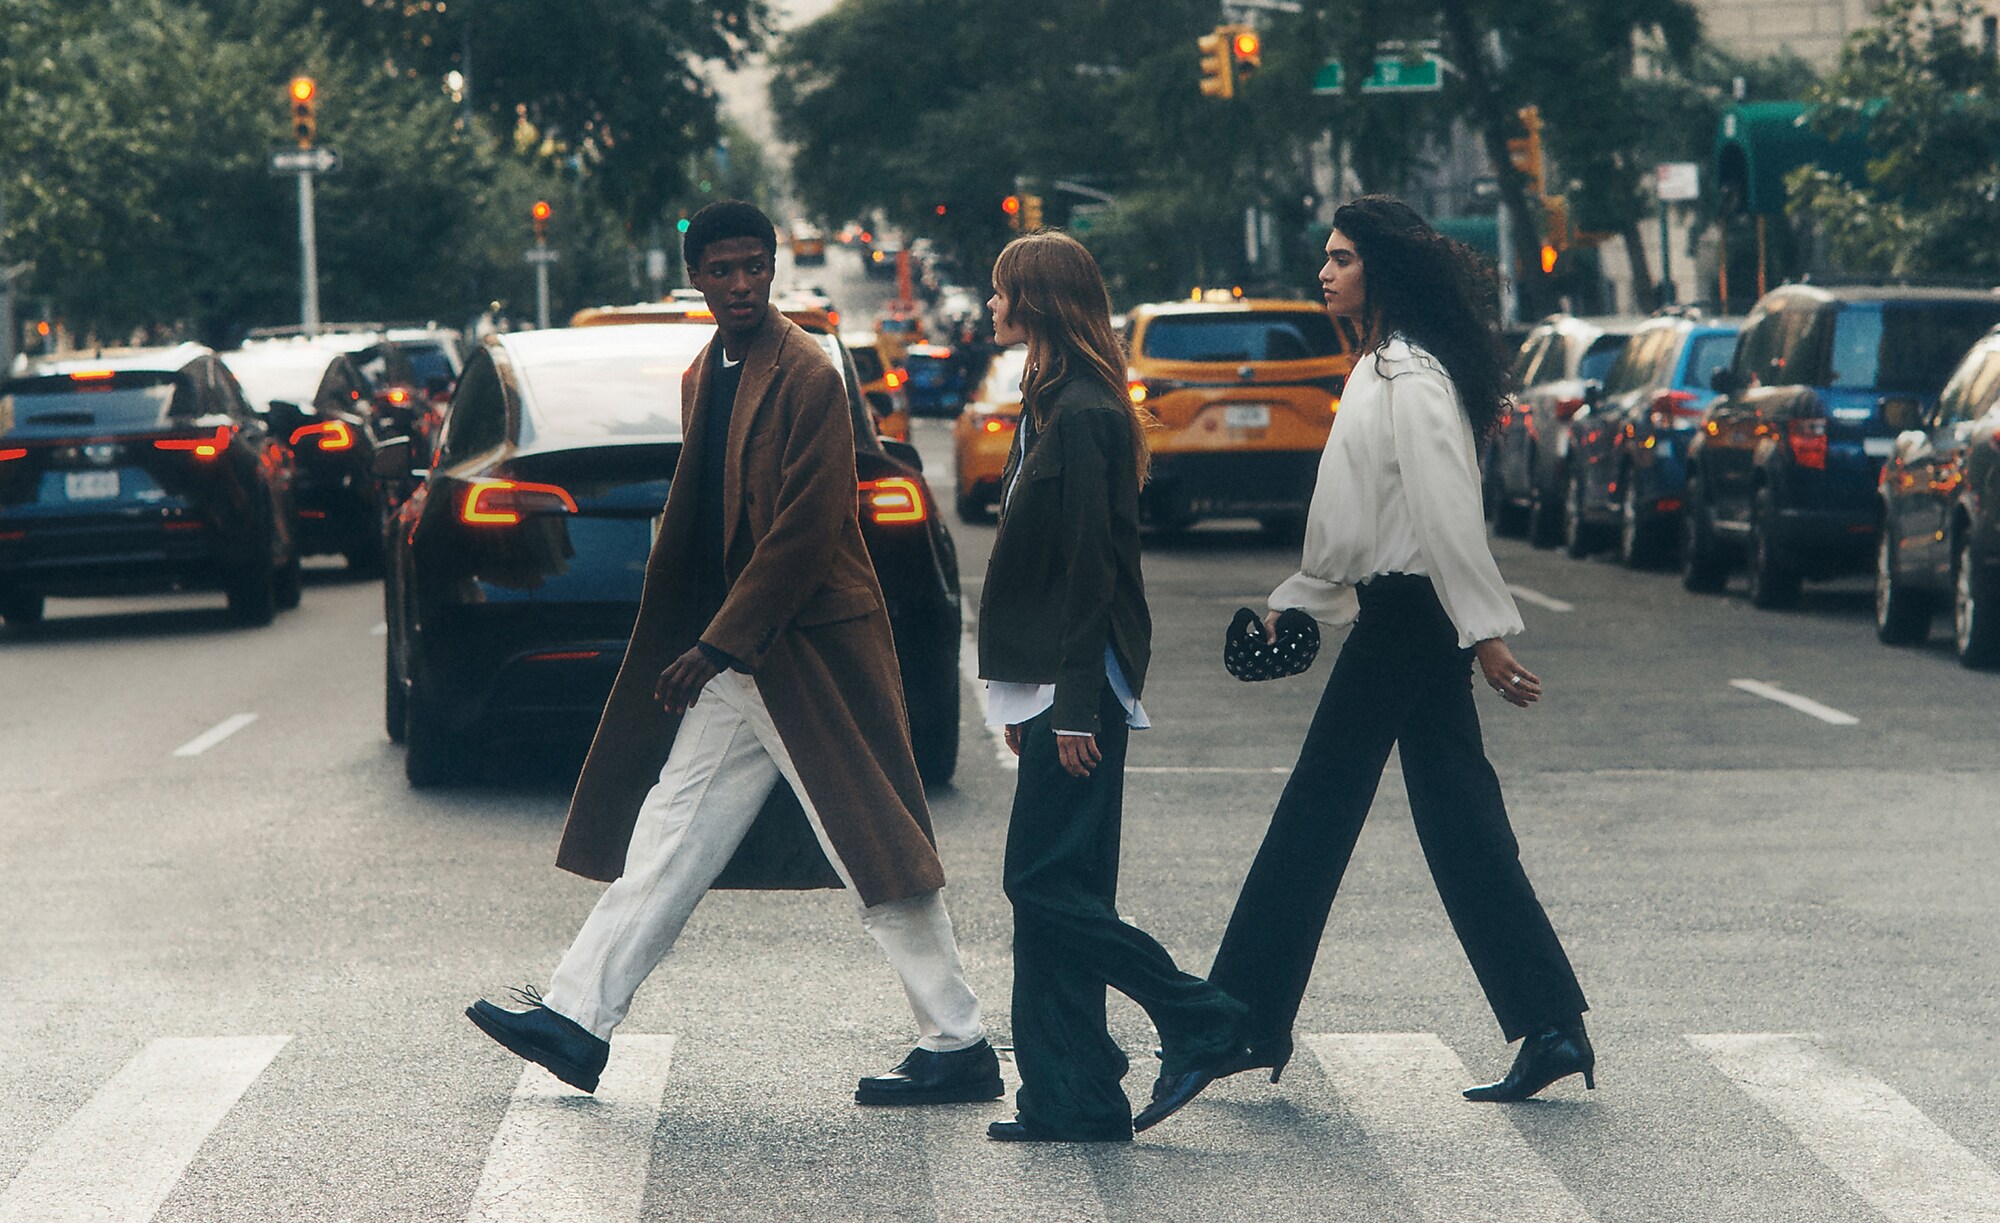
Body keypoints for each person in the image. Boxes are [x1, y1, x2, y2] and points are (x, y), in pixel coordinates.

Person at [467, 200, 1001, 1108]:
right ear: (697, 277)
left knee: (871, 841)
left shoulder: (809, 372)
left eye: (756, 266)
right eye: (723, 269)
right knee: (671, 833)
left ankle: (960, 1041)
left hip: (806, 649)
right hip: (746, 654)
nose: (742, 283)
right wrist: (712, 637)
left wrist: (716, 642)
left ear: (774, 267)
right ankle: (576, 1017)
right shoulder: (704, 371)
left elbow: (806, 527)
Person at [1202, 195, 1593, 1109]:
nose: (1325, 272)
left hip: (1412, 618)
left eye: (1342, 258)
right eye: (1327, 257)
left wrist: (1484, 631)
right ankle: (1550, 1023)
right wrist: (1301, 597)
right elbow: (1362, 517)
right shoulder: (1378, 368)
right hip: (1401, 608)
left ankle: (1240, 1019)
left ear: (1382, 269)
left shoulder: (1410, 375)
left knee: (1315, 810)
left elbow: (1445, 511)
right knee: (1461, 821)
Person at [977, 230, 1248, 1143]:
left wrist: (1074, 706)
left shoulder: (1087, 411)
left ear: (1038, 301)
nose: (991, 304)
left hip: (1082, 684)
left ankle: (1200, 1014)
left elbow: (1092, 567)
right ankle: (1073, 1096)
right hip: (1052, 683)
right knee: (1063, 893)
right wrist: (1026, 698)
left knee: (1039, 885)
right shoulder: (1048, 403)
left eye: (1002, 290)